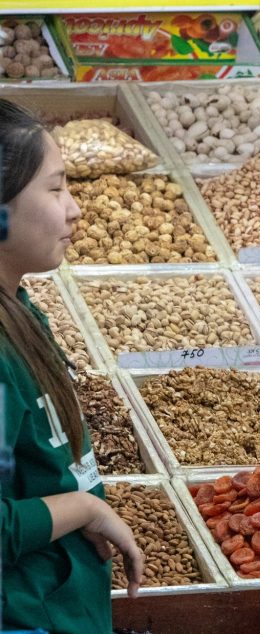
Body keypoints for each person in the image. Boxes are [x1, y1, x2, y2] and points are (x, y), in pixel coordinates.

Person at [0, 99, 144, 633]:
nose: (75, 208)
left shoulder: (19, 304)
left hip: (58, 600)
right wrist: (84, 510)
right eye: (56, 188)